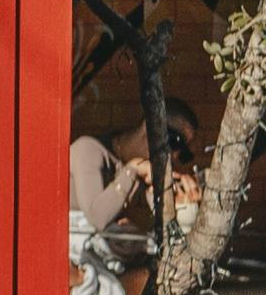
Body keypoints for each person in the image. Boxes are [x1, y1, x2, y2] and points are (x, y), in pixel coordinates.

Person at [68, 99, 203, 236]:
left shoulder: (141, 172)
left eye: (184, 153)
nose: (174, 155)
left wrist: (176, 206)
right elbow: (97, 217)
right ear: (149, 127)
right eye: (175, 141)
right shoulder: (89, 149)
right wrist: (132, 169)